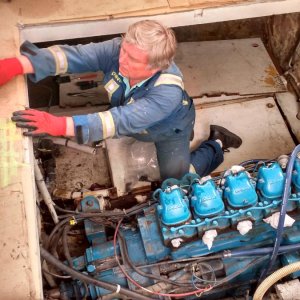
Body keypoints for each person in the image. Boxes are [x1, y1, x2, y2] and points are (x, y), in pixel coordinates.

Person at [1, 20, 242, 180]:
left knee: (178, 182)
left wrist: (56, 125)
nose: (122, 59)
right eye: (124, 50)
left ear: (155, 66)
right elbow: (77, 56)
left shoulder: (165, 93)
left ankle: (217, 144)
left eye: (132, 59)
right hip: (135, 120)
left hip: (169, 129)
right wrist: (20, 64)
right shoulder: (120, 51)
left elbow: (116, 122)